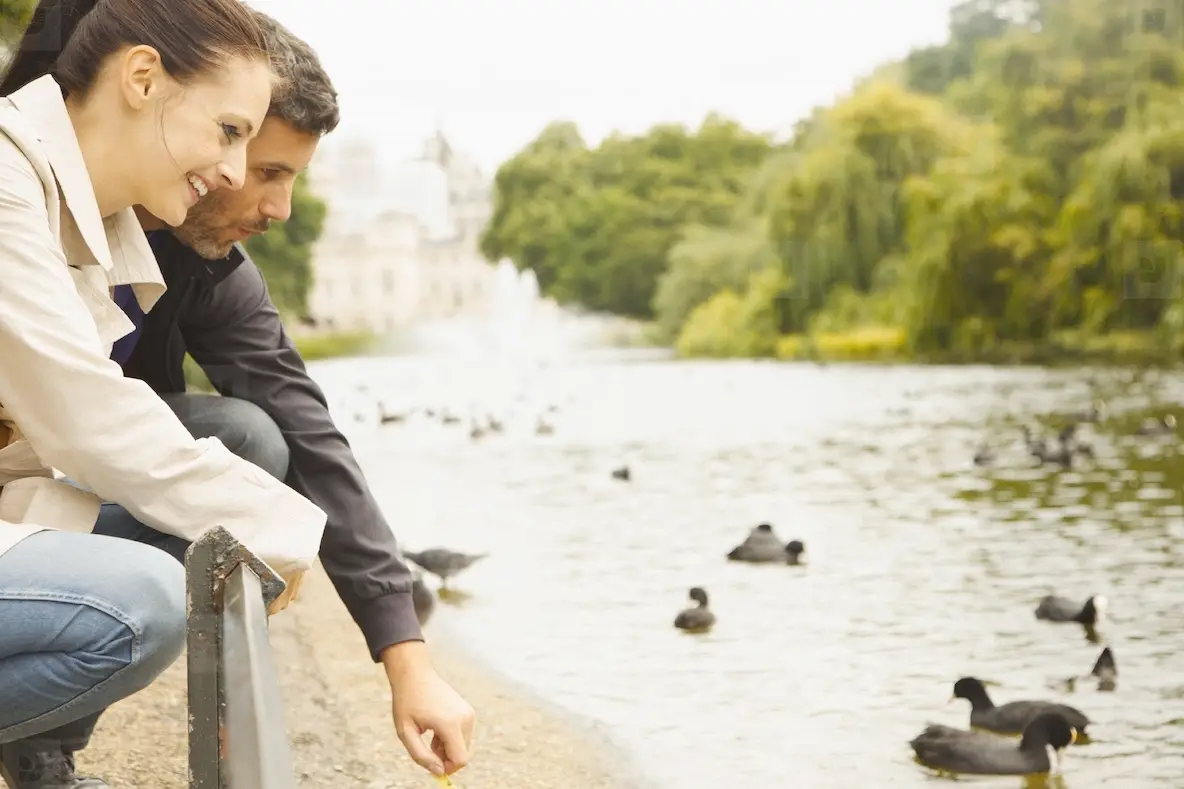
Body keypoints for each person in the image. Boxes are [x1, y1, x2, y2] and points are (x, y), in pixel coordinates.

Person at [118, 9, 478, 782]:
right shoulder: (38, 199)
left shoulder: (212, 266)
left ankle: (46, 739)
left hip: (76, 456)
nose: (280, 211)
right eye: (270, 171)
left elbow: (308, 430)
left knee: (254, 437)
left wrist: (405, 653)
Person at [0, 1, 329, 787]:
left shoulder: (76, 210)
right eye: (230, 131)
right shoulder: (7, 186)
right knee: (140, 601)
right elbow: (88, 422)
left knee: (223, 468)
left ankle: (37, 746)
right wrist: (279, 524)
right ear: (143, 77)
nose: (235, 171)